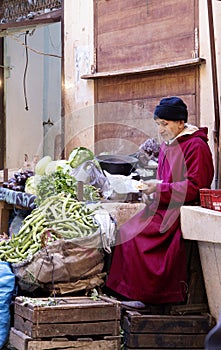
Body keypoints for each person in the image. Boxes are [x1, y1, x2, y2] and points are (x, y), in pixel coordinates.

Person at [105, 96, 214, 310]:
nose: (161, 129)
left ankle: (147, 295)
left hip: (180, 210)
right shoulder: (167, 145)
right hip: (162, 205)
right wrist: (152, 188)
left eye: (165, 124)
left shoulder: (196, 146)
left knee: (137, 238)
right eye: (158, 124)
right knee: (125, 230)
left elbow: (196, 186)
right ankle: (122, 290)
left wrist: (159, 189)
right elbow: (165, 179)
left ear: (181, 123)